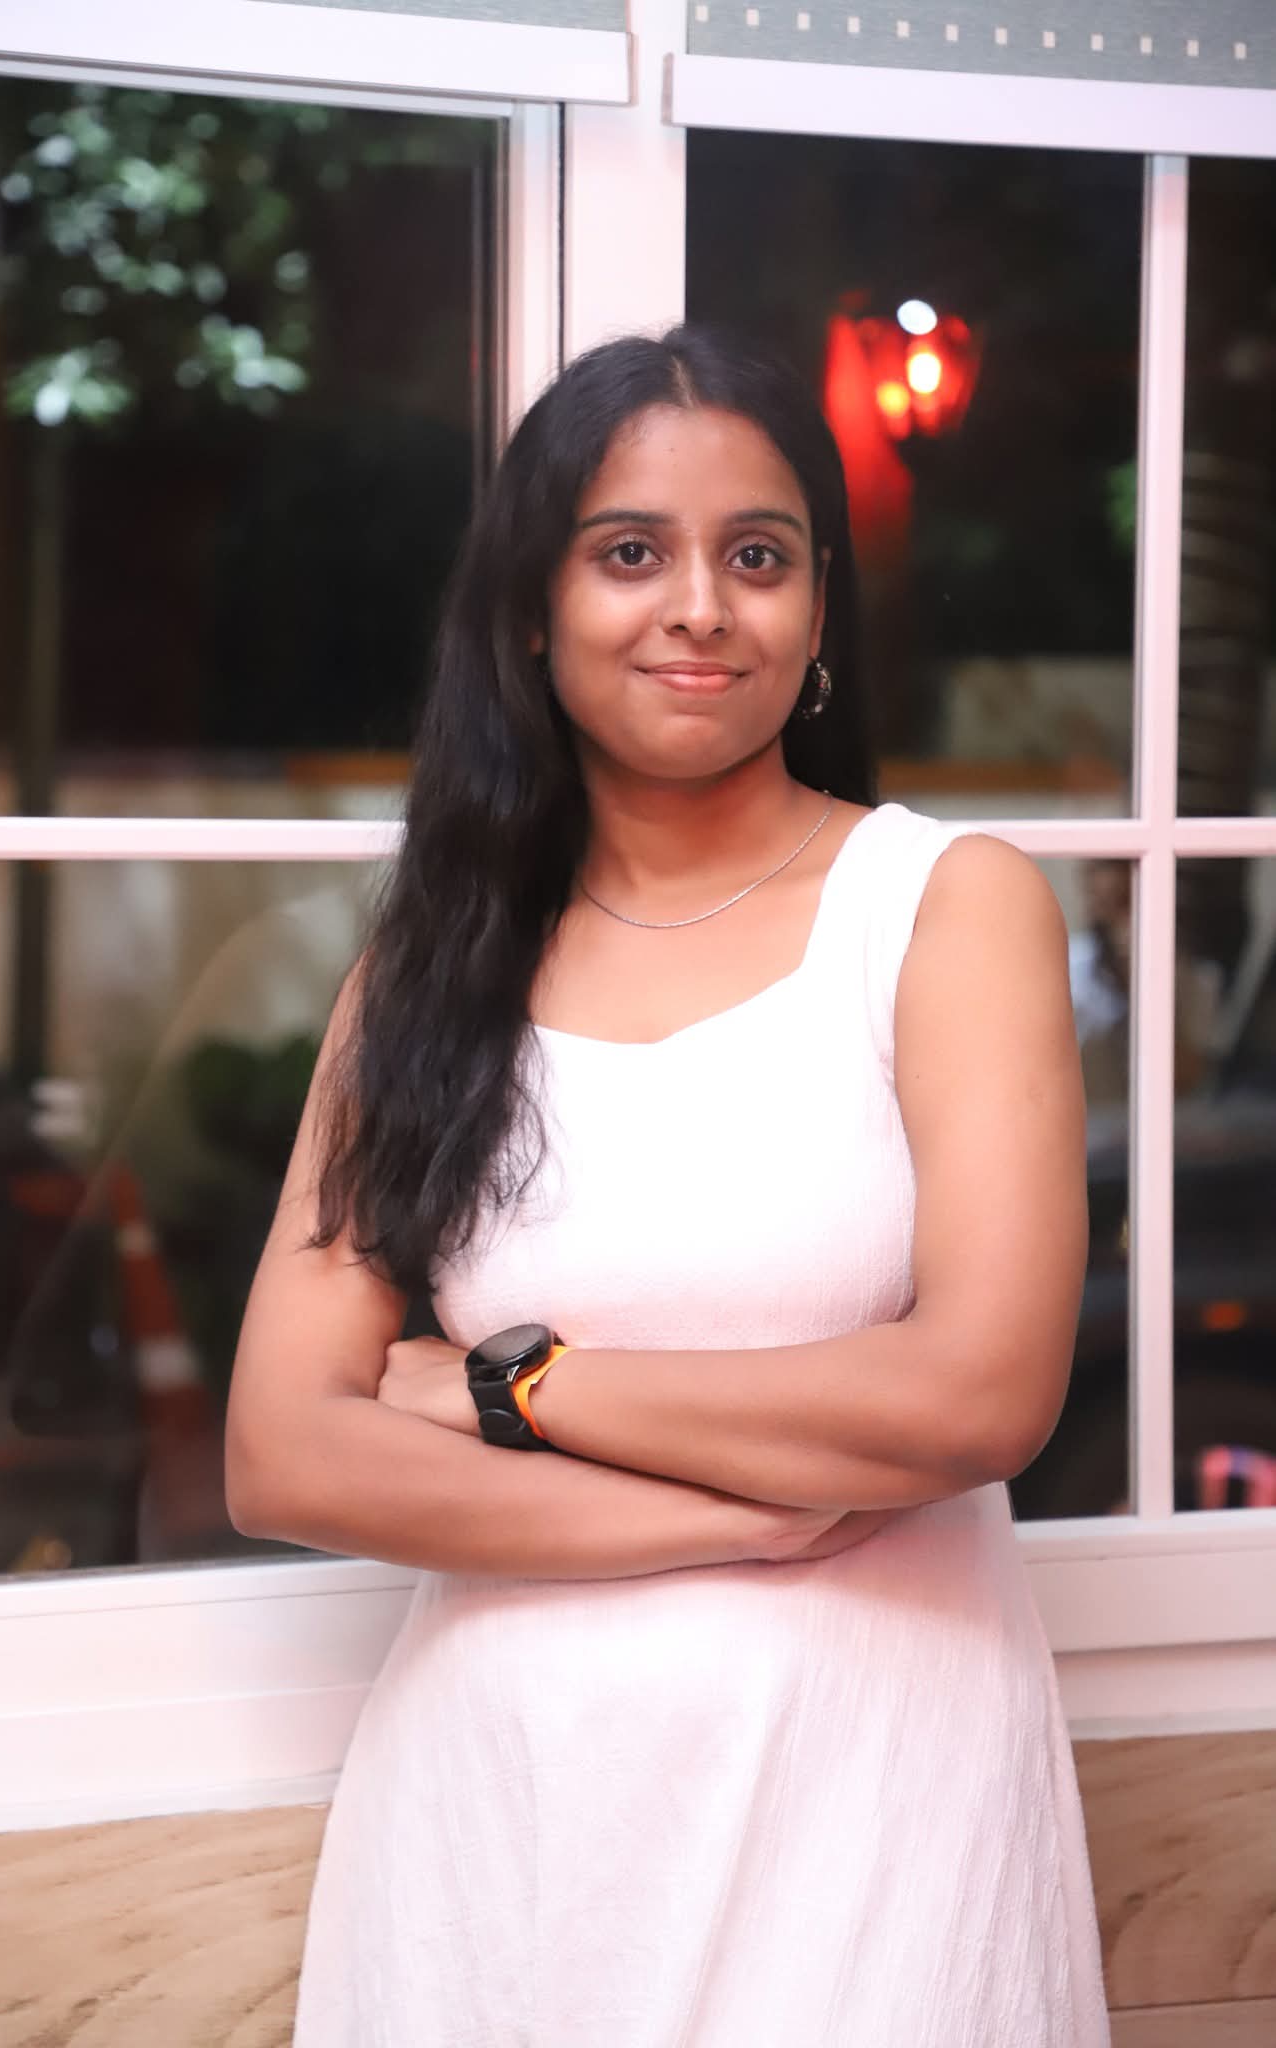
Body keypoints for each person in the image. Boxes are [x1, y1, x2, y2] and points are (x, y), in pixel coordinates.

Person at [225, 324, 1111, 2046]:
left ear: (818, 611)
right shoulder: (423, 981)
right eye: (629, 553)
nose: (699, 607)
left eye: (756, 558)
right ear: (530, 609)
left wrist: (516, 1385)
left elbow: (981, 1393)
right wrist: (749, 1518)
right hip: (501, 1837)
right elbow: (283, 1452)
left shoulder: (943, 909)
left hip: (874, 1816)